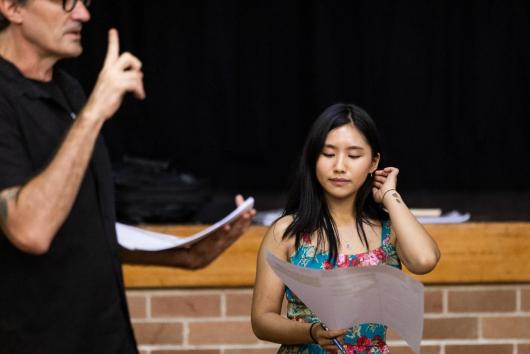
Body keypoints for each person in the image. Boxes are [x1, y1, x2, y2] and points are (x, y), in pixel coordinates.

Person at [0, 0, 255, 353]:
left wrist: (183, 255)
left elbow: (82, 231)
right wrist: (94, 113)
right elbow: (30, 230)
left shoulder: (68, 90)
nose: (83, 15)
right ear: (12, 8)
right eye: (66, 2)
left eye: (85, 2)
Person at [251, 103, 440, 353]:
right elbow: (262, 320)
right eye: (328, 154)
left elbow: (425, 260)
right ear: (313, 158)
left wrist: (391, 194)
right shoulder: (287, 232)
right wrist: (311, 332)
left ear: (373, 162)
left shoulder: (389, 229)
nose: (340, 166)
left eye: (353, 156)